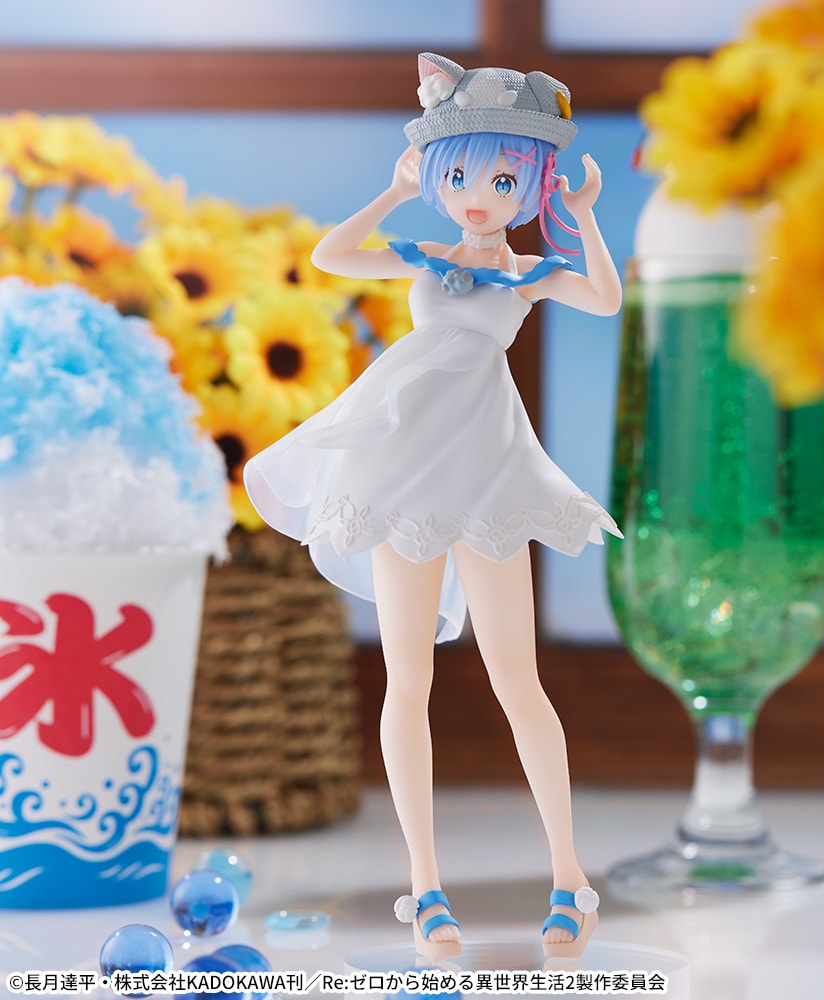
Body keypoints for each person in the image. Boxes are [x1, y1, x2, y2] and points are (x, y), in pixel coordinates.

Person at [244, 51, 622, 960]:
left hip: (486, 471)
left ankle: (569, 877)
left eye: (501, 180)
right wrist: (393, 191)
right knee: (406, 679)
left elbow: (606, 299)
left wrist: (582, 217)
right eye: (459, 178)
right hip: (403, 468)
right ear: (438, 179)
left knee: (517, 679)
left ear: (530, 185)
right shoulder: (426, 254)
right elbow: (331, 255)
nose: (477, 197)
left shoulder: (530, 271)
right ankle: (425, 886)